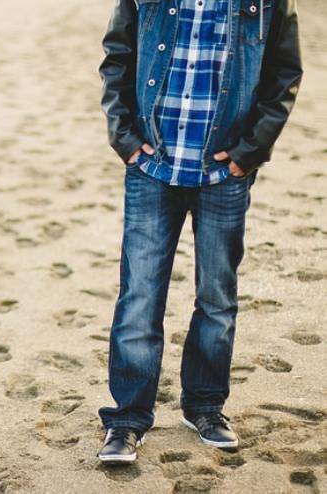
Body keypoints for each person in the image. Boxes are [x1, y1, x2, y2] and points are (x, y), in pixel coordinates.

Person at [96, 0, 303, 463]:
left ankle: (206, 406)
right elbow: (117, 57)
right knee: (140, 296)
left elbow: (283, 75)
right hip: (152, 167)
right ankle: (127, 418)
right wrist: (125, 140)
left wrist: (250, 152)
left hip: (223, 173)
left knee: (217, 295)